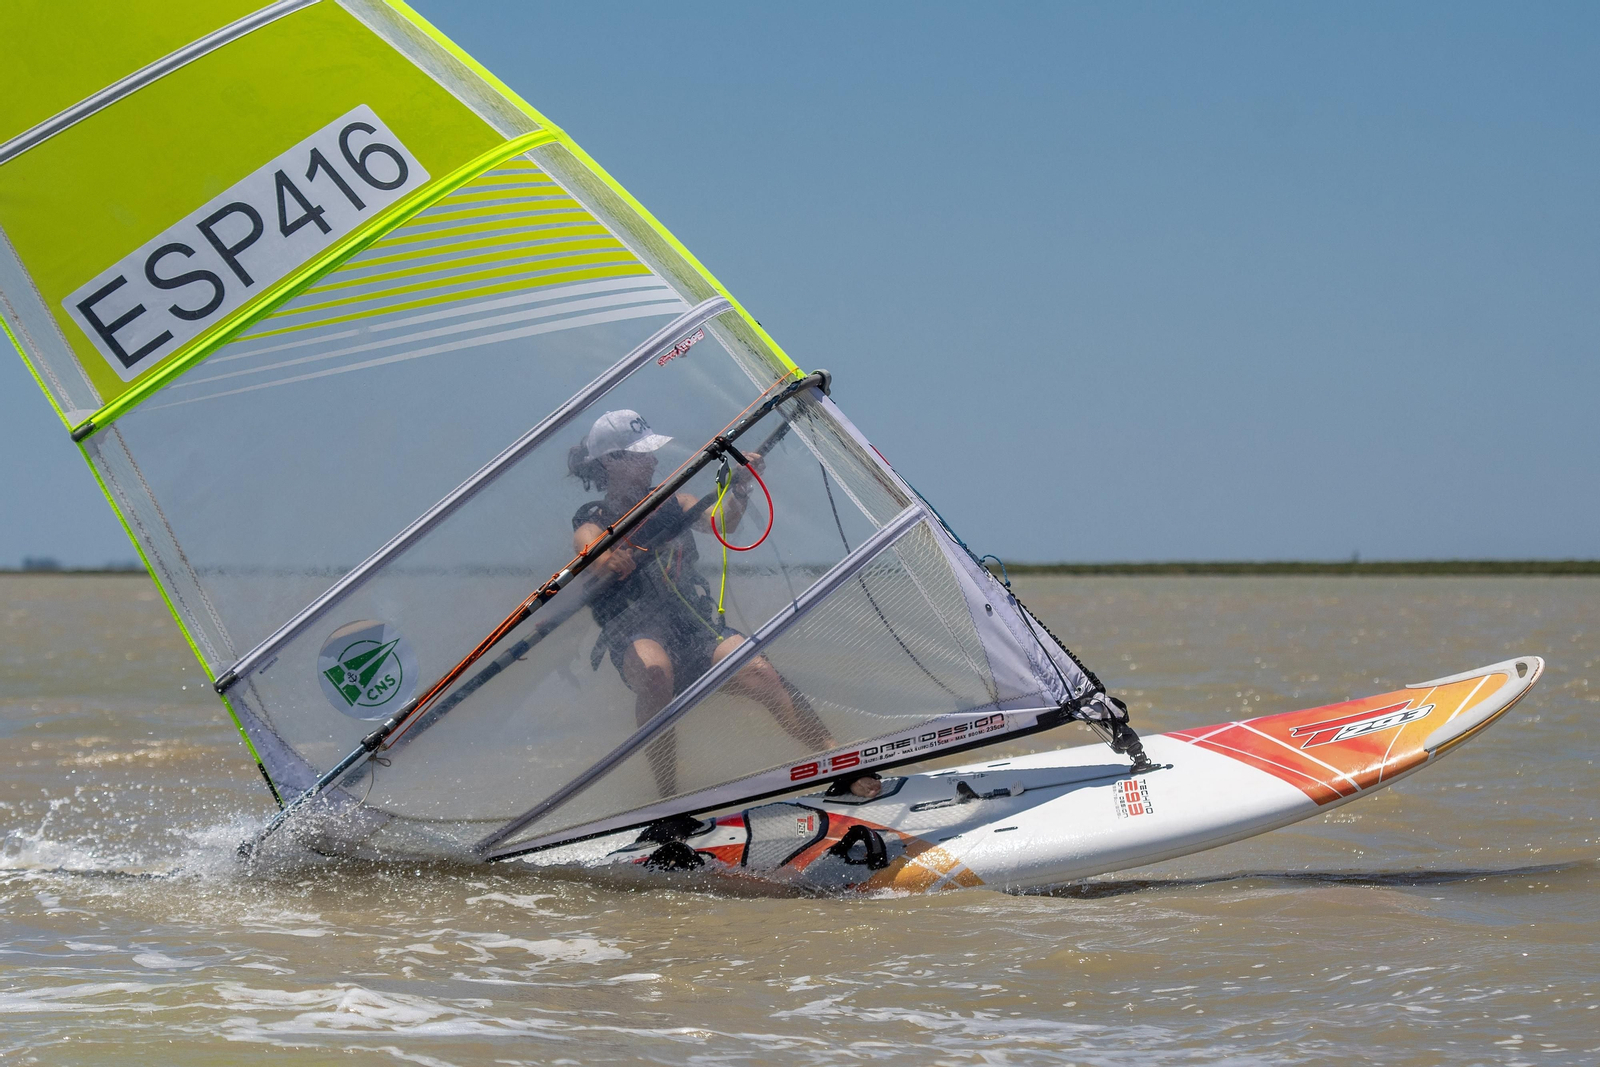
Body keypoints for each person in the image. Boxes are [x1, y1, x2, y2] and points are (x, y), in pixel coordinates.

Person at [569, 409, 833, 796]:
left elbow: (725, 523)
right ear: (612, 461)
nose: (654, 459)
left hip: (691, 624)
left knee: (761, 672)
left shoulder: (676, 501)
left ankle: (836, 757)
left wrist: (740, 486)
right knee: (657, 673)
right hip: (636, 632)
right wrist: (608, 558)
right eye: (642, 453)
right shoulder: (593, 519)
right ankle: (667, 799)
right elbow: (588, 551)